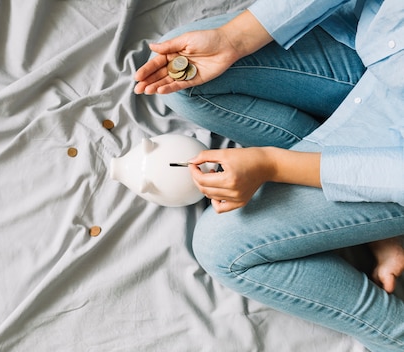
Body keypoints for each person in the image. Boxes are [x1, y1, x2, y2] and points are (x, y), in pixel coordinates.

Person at [134, 0, 404, 351]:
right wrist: (232, 39)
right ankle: (369, 226)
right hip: (369, 50)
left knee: (221, 247)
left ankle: (394, 335)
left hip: (391, 157)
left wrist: (273, 164)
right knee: (180, 70)